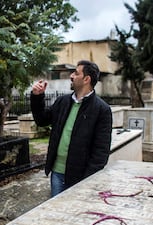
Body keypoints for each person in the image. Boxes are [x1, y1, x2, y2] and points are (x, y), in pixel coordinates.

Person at [30, 60, 113, 197]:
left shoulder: (101, 110)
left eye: (76, 73)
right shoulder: (62, 102)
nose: (71, 76)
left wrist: (87, 180)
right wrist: (37, 97)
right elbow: (42, 120)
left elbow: (101, 152)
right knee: (58, 213)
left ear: (86, 79)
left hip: (80, 177)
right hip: (57, 173)